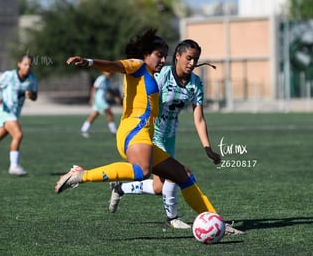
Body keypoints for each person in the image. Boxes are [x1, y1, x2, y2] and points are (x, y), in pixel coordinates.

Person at [55, 29, 243, 236]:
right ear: (145, 54)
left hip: (143, 134)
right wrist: (90, 62)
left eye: (164, 55)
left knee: (184, 175)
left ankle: (218, 224)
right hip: (134, 131)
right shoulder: (137, 66)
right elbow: (115, 65)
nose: (163, 60)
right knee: (142, 171)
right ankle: (81, 175)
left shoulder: (153, 74)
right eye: (158, 55)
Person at [107, 39, 222, 229]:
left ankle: (120, 187)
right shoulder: (162, 75)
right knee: (176, 175)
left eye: (196, 59)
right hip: (152, 133)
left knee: (159, 188)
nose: (192, 63)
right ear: (177, 56)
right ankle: (172, 219)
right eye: (189, 58)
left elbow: (199, 118)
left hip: (170, 136)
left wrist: (207, 147)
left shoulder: (196, 83)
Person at [80, 71, 119, 138]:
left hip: (101, 100)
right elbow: (94, 88)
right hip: (99, 100)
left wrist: (115, 96)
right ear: (104, 72)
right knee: (109, 113)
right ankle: (114, 131)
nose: (109, 73)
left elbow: (109, 89)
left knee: (94, 115)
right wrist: (91, 98)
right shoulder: (101, 79)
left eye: (110, 72)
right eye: (107, 71)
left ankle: (84, 129)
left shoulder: (107, 80)